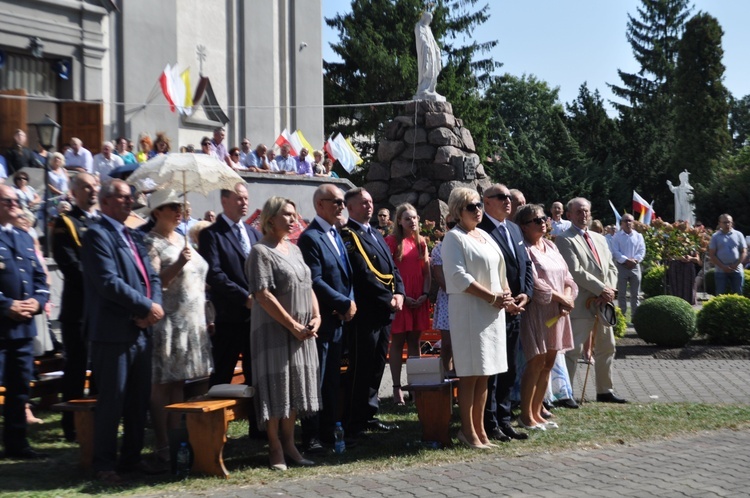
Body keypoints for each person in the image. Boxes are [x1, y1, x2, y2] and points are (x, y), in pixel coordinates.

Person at [81, 179, 164, 483]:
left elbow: (152, 277)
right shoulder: (96, 236)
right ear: (105, 202)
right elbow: (108, 282)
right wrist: (145, 308)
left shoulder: (132, 236)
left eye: (131, 198)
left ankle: (131, 458)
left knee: (137, 400)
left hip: (141, 330)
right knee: (112, 401)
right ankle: (103, 463)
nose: (130, 202)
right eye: (123, 198)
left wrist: (153, 306)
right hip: (112, 332)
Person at [246, 197, 321, 470]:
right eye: (287, 215)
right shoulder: (260, 252)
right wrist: (292, 324)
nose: (293, 219)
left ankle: (290, 444)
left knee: (293, 388)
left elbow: (308, 284)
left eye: (294, 215)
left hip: (301, 331)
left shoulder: (295, 249)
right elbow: (262, 294)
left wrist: (317, 316)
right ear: (270, 218)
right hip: (274, 331)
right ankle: (275, 447)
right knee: (276, 388)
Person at [144, 189, 212, 464]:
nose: (177, 211)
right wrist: (180, 262)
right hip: (169, 323)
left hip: (194, 322)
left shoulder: (184, 239)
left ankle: (177, 440)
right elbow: (155, 282)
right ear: (157, 211)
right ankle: (162, 443)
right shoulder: (151, 242)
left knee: (181, 385)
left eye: (180, 206)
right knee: (163, 384)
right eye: (171, 206)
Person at [441, 187, 512, 449]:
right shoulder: (454, 238)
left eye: (479, 205)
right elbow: (459, 278)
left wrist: (506, 294)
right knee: (470, 374)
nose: (478, 210)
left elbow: (500, 271)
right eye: (472, 206)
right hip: (470, 312)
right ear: (458, 210)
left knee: (485, 374)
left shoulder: (484, 235)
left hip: (491, 313)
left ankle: (481, 430)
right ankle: (467, 431)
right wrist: (493, 297)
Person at [296, 184, 355, 453]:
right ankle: (311, 436)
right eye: (336, 201)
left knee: (332, 380)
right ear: (320, 204)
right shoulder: (311, 237)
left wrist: (349, 301)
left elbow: (346, 275)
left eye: (343, 201)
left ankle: (329, 432)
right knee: (316, 380)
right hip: (321, 321)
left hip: (339, 319)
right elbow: (315, 280)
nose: (342, 206)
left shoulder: (335, 234)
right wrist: (342, 302)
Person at [341, 187, 404, 438]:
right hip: (367, 312)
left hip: (384, 312)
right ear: (351, 208)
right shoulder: (349, 235)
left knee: (377, 365)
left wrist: (399, 292)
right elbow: (362, 274)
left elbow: (392, 268)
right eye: (362, 203)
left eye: (370, 201)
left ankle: (368, 414)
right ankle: (353, 420)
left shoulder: (375, 234)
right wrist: (388, 298)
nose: (369, 206)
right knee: (361, 367)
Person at [555, 197, 626, 404]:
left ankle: (605, 391)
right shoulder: (564, 239)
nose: (583, 214)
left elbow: (612, 267)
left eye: (585, 211)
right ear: (569, 215)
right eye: (578, 211)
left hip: (604, 303)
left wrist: (610, 289)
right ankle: (565, 393)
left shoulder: (600, 238)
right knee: (573, 349)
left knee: (607, 347)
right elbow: (575, 271)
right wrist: (601, 289)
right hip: (582, 303)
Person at [479, 184, 533, 442]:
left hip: (516, 309)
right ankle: (489, 422)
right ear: (486, 202)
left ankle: (504, 419)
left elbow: (527, 264)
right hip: (494, 310)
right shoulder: (480, 231)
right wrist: (505, 299)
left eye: (509, 197)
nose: (508, 201)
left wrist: (526, 294)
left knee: (510, 368)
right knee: (494, 370)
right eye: (501, 197)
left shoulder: (513, 228)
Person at [515, 204, 577, 430]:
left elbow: (568, 277)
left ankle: (537, 411)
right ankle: (526, 415)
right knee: (536, 361)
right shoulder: (525, 250)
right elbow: (536, 284)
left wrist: (568, 298)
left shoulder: (551, 245)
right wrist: (562, 298)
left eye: (543, 218)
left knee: (549, 362)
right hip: (538, 312)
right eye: (536, 220)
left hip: (558, 313)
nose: (542, 222)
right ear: (523, 226)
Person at [0, 184, 50, 459]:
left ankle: (16, 443)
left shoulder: (23, 237)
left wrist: (37, 302)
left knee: (19, 388)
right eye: (7, 200)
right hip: (2, 323)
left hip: (21, 328)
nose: (14, 204)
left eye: (16, 200)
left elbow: (40, 279)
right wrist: (6, 305)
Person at [198, 183, 262, 388]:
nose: (245, 203)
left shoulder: (254, 234)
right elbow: (215, 274)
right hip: (229, 319)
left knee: (256, 376)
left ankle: (257, 420)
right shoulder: (212, 234)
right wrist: (244, 297)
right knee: (221, 377)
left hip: (256, 318)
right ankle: (214, 420)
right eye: (239, 198)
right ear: (224, 201)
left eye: (246, 198)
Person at [51, 172, 99, 442]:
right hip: (78, 308)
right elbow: (69, 265)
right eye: (86, 187)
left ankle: (97, 416)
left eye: (94, 186)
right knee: (76, 368)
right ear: (74, 191)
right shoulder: (65, 222)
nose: (92, 191)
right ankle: (71, 425)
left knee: (100, 368)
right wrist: (102, 284)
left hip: (101, 309)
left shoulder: (102, 221)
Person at [385, 203, 431, 405]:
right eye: (407, 218)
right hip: (401, 298)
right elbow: (388, 273)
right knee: (397, 343)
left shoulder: (421, 242)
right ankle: (397, 389)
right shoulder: (392, 241)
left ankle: (416, 386)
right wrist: (400, 295)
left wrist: (425, 294)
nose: (412, 221)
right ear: (399, 221)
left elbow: (426, 273)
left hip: (419, 298)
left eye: (414, 218)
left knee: (415, 343)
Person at [611, 214, 646, 318]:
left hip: (635, 266)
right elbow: (615, 251)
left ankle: (635, 316)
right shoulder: (616, 237)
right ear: (621, 223)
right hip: (622, 267)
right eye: (625, 221)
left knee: (635, 294)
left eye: (630, 221)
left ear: (633, 222)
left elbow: (642, 250)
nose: (628, 223)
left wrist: (635, 260)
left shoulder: (638, 236)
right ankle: (622, 316)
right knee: (621, 294)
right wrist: (626, 260)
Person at [709, 214, 747, 295]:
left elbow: (744, 251)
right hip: (720, 270)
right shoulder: (715, 236)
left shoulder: (738, 235)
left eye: (729, 222)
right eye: (724, 222)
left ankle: (737, 308)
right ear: (719, 223)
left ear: (732, 223)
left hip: (737, 269)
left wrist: (736, 264)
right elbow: (712, 254)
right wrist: (723, 266)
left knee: (738, 294)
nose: (727, 224)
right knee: (720, 294)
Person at [413, 11, 444, 102]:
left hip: (432, 52)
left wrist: (436, 48)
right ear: (424, 18)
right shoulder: (419, 26)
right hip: (425, 51)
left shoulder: (428, 28)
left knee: (433, 70)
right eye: (429, 19)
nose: (430, 21)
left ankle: (431, 89)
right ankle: (423, 89)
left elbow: (433, 40)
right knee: (427, 70)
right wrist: (426, 45)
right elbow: (420, 37)